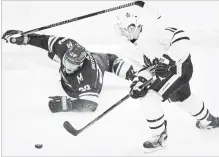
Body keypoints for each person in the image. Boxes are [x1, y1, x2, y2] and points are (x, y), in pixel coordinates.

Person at [114, 6, 219, 153]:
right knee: (182, 98)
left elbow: (182, 37)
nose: (128, 34)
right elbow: (143, 70)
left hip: (180, 67)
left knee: (149, 96)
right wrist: (138, 83)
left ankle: (159, 136)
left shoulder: (154, 30)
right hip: (169, 73)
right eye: (123, 30)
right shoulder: (129, 49)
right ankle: (209, 120)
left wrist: (168, 60)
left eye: (130, 28)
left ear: (138, 23)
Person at [2, 30, 138, 113]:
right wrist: (26, 38)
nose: (68, 66)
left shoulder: (89, 77)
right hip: (89, 57)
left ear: (80, 65)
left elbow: (91, 105)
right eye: (66, 60)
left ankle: (137, 75)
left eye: (73, 65)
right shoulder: (67, 46)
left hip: (100, 62)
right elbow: (45, 41)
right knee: (50, 53)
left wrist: (67, 104)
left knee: (112, 60)